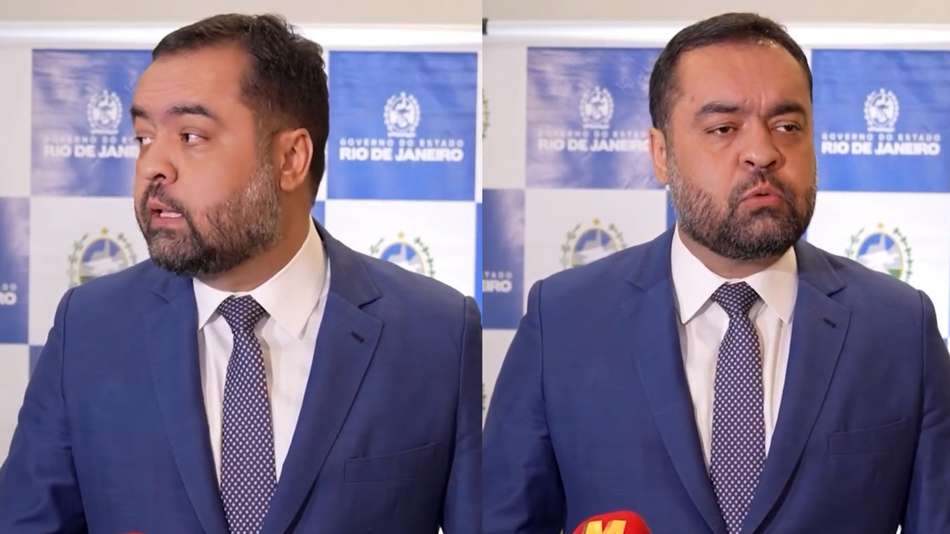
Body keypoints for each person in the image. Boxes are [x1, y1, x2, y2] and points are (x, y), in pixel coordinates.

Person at [0, 14, 480, 533]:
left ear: (290, 159)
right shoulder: (90, 329)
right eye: (143, 137)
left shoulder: (435, 332)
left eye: (190, 136)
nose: (153, 166)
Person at [483, 12, 950, 534]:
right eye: (723, 129)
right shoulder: (563, 322)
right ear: (661, 154)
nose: (763, 153)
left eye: (787, 127)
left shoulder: (900, 329)